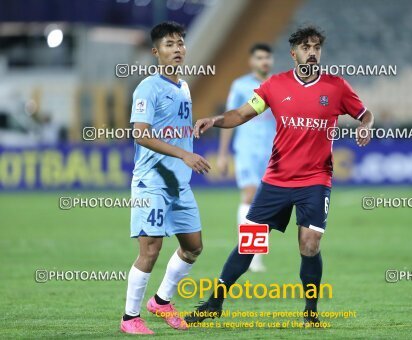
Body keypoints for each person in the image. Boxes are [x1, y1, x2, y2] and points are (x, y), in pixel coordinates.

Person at [187, 25, 374, 327]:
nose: (312, 52)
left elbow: (365, 113)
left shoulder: (336, 87)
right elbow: (242, 114)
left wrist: (364, 125)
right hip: (276, 179)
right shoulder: (275, 85)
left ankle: (311, 313)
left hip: (315, 180)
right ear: (293, 53)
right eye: (305, 47)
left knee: (309, 243)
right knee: (250, 244)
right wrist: (215, 120)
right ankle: (213, 303)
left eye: (316, 47)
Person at [120, 21, 211, 335]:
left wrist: (193, 129)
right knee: (150, 250)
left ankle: (161, 301)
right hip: (152, 181)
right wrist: (183, 153)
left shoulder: (183, 86)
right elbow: (141, 135)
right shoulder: (147, 87)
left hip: (178, 183)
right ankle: (130, 317)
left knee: (193, 247)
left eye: (180, 43)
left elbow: (173, 127)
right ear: (155, 52)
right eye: (169, 45)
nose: (177, 49)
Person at [216, 43, 276, 272]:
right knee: (250, 196)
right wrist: (222, 155)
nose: (264, 61)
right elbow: (230, 119)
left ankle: (254, 253)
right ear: (252, 61)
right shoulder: (240, 86)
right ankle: (252, 256)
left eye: (267, 57)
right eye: (259, 57)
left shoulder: (278, 84)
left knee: (266, 202)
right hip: (247, 150)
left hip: (274, 151)